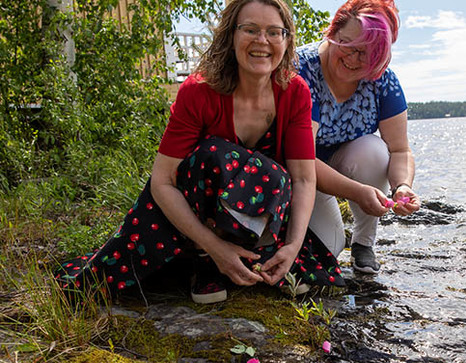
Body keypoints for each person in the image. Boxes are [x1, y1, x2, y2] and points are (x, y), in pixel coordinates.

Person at [56, 0, 344, 303]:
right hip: (201, 210)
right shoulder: (198, 91)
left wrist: (294, 245)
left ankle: (266, 254)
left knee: (276, 174)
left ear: (287, 41)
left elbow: (303, 178)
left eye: (274, 32)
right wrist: (214, 247)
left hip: (261, 217)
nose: (262, 41)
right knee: (215, 154)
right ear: (230, 36)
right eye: (250, 29)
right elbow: (163, 181)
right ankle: (204, 260)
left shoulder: (295, 91)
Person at [296, 0, 420, 274]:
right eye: (346, 45)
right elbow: (301, 158)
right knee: (329, 248)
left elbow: (400, 150)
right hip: (300, 174)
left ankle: (363, 243)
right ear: (332, 32)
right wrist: (358, 193)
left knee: (374, 151)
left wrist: (401, 186)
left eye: (365, 54)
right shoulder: (302, 71)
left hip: (347, 163)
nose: (353, 59)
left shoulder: (383, 81)